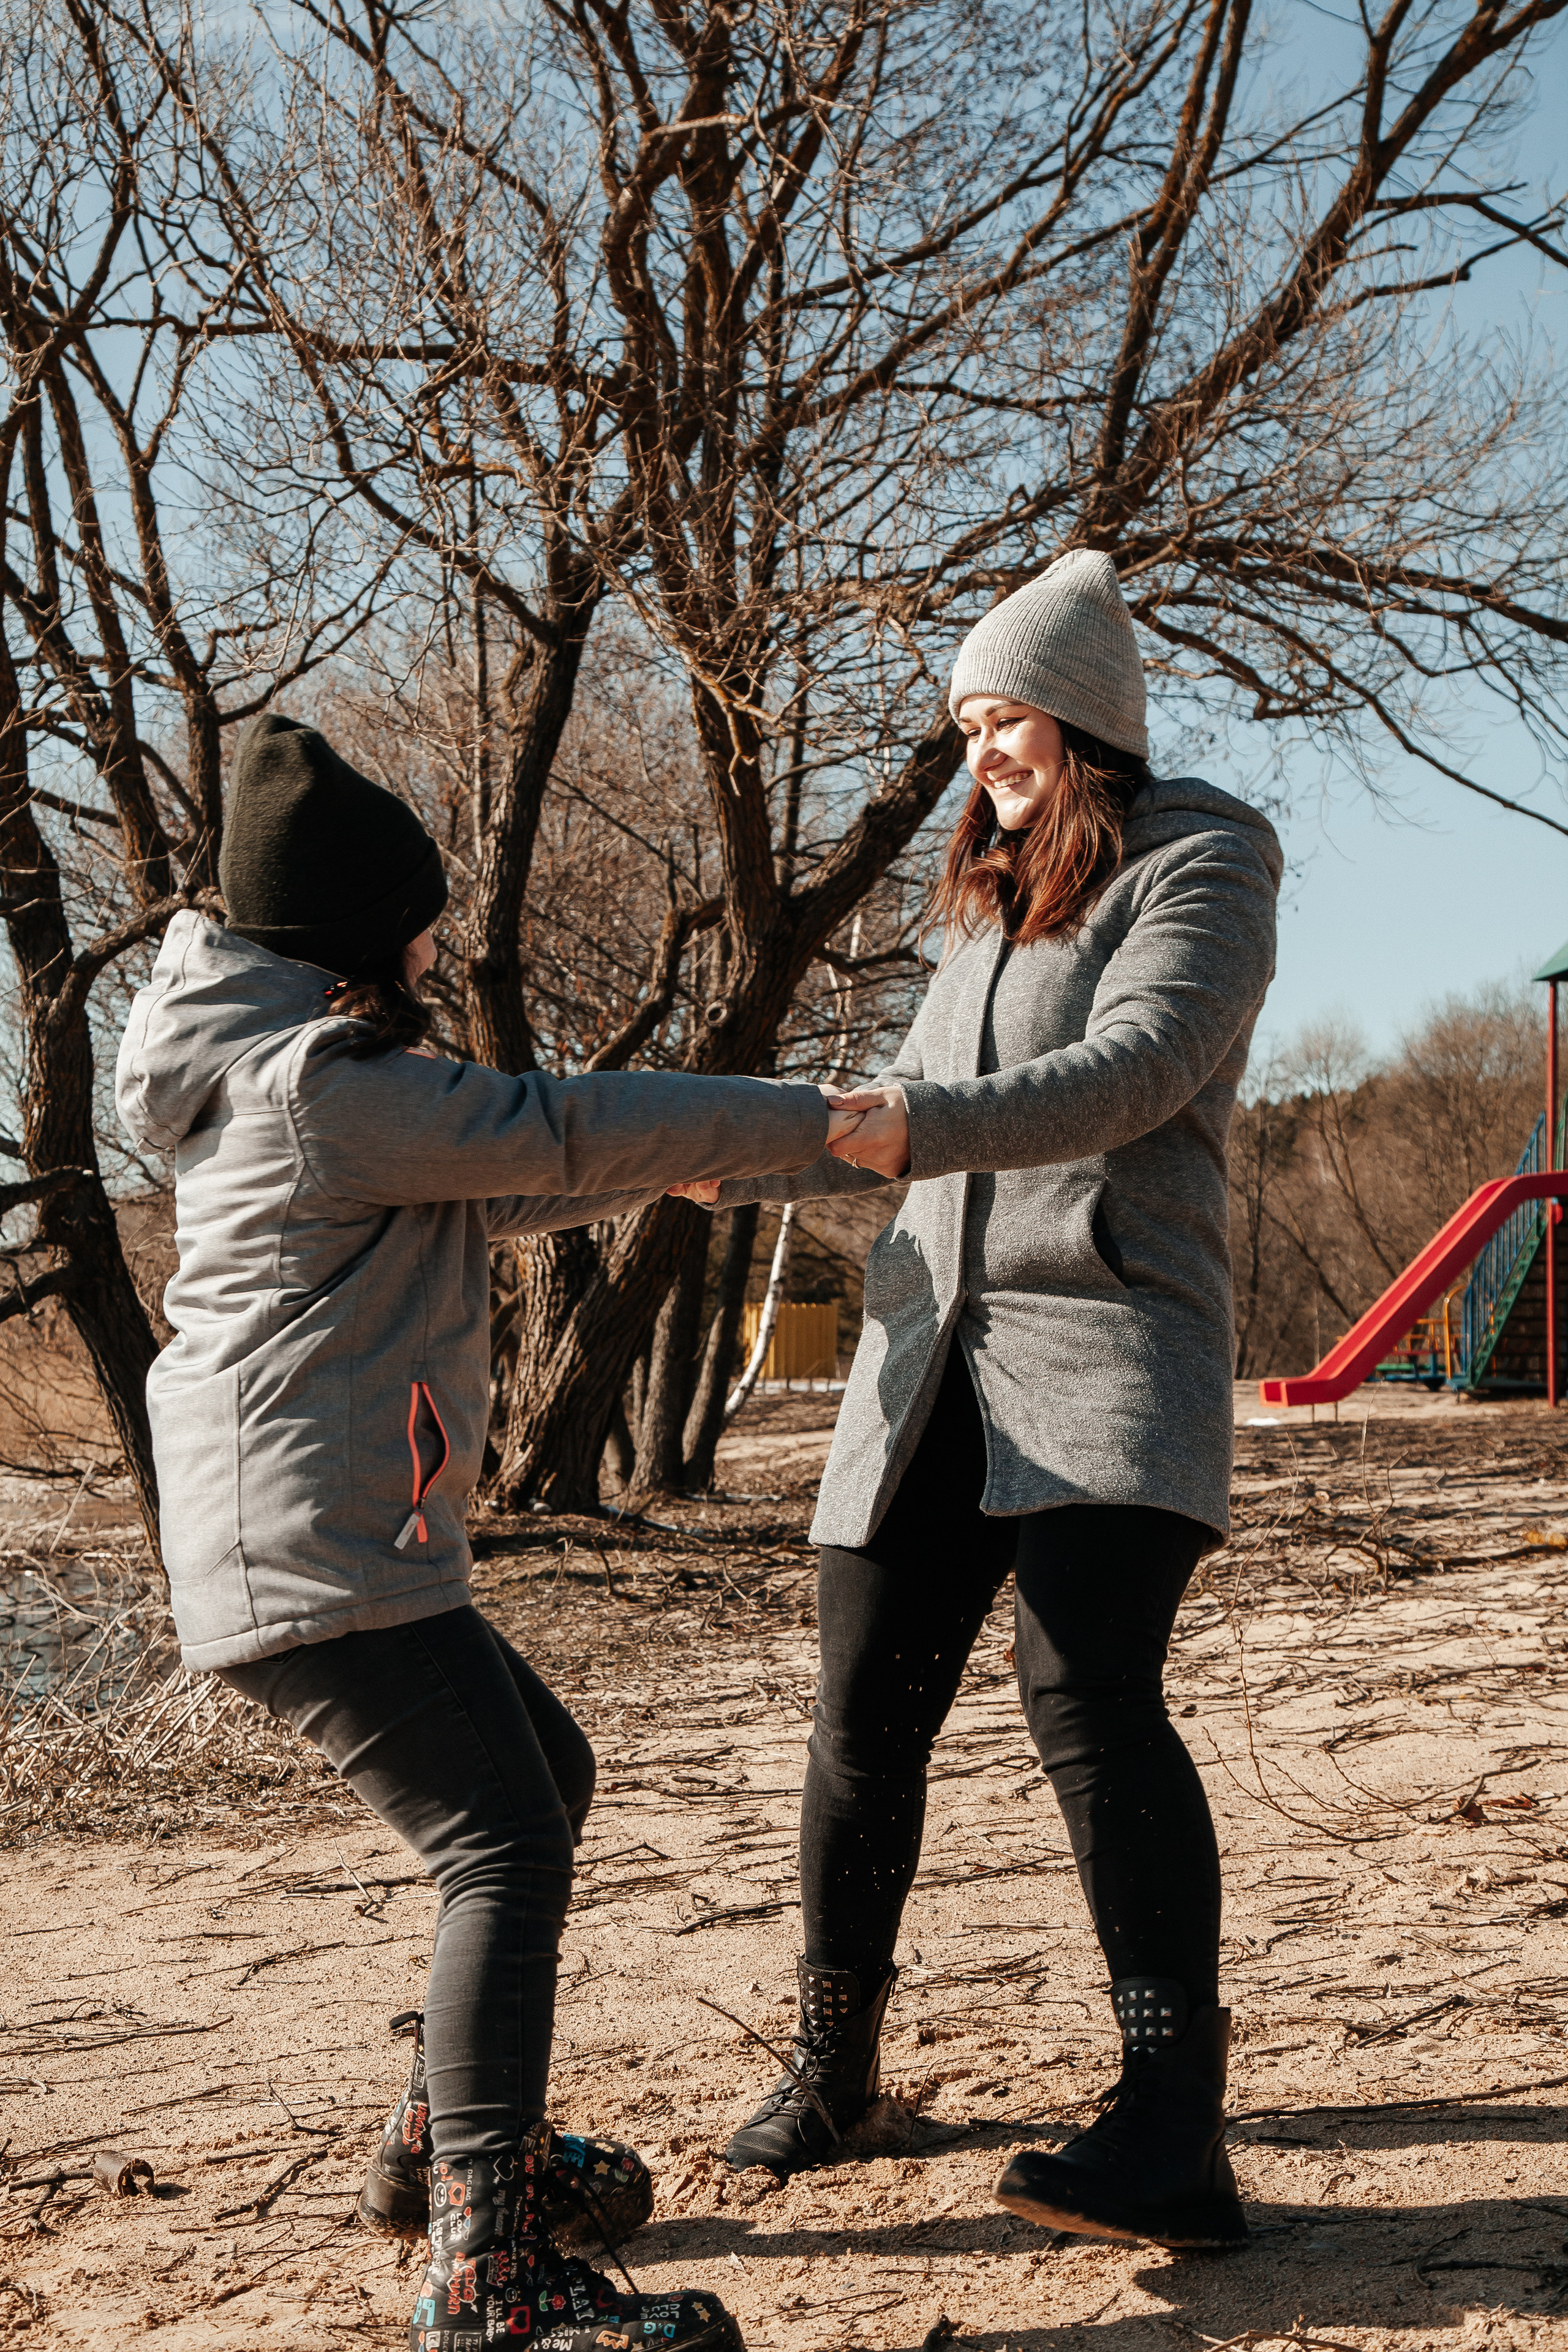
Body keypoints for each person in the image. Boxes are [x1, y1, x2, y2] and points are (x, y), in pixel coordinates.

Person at [115, 713, 865, 2352]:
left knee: (545, 1778)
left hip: (314, 1539)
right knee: (501, 1840)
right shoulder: (323, 1080)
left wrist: (702, 1163)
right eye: (419, 919)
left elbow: (518, 1178)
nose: (441, 941)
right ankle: (486, 2267)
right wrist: (799, 1119)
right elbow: (552, 1130)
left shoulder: (291, 1080)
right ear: (353, 940)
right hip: (317, 1548)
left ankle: (447, 2155)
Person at [675, 550, 1280, 2252]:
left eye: (1000, 717)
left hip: (1107, 1348)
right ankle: (837, 2067)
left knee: (1088, 1696)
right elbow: (900, 1114)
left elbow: (1142, 1070)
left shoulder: (1205, 860)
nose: (978, 756)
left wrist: (914, 1124)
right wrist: (761, 1156)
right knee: (862, 1717)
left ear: (1082, 709)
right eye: (963, 726)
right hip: (922, 1366)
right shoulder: (985, 904)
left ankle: (1173, 2122)